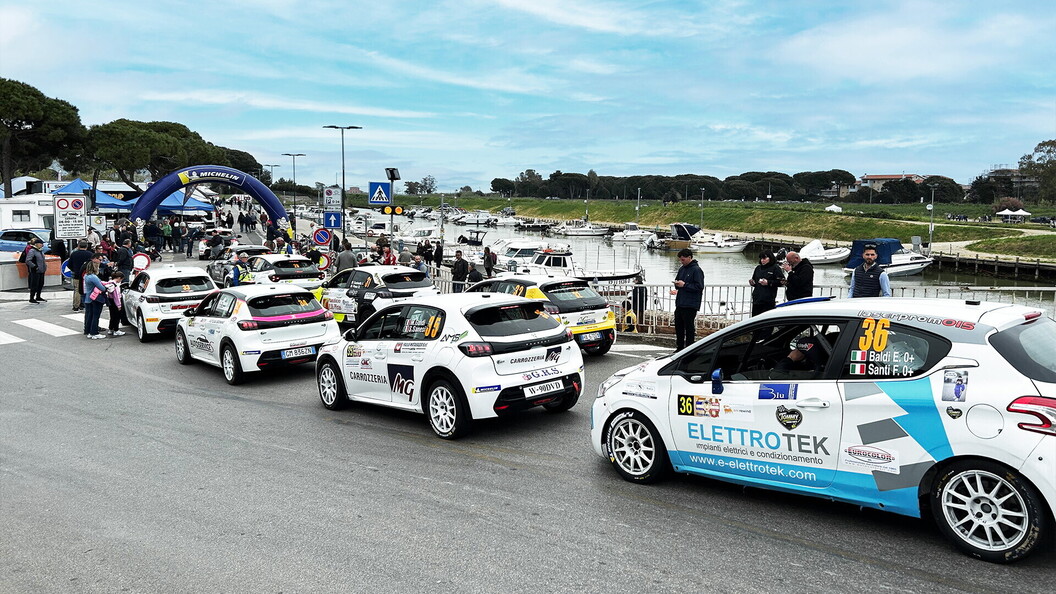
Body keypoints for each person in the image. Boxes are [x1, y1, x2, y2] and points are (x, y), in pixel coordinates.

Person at [670, 248, 704, 350]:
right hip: (680, 302)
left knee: (689, 328)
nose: (681, 261)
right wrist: (677, 284)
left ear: (689, 258)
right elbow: (678, 282)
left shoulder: (697, 270)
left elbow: (699, 287)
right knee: (678, 327)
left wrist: (685, 285)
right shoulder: (682, 269)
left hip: (690, 304)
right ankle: (679, 347)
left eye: (683, 259)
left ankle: (689, 348)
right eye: (680, 260)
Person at [748, 250, 783, 316]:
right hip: (757, 298)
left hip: (768, 300)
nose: (762, 260)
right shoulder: (758, 268)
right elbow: (755, 280)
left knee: (767, 320)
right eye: (761, 258)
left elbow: (781, 282)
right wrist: (753, 283)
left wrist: (768, 282)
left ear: (770, 258)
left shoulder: (776, 268)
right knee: (755, 320)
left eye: (764, 258)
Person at [81, 260, 108, 339]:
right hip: (95, 298)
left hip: (88, 297)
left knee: (90, 315)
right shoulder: (93, 277)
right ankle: (94, 332)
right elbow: (102, 288)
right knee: (96, 316)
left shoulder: (86, 276)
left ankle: (89, 331)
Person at [67, 240, 94, 312]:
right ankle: (87, 304)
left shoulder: (74, 254)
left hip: (77, 275)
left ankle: (76, 306)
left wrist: (74, 270)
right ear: (87, 246)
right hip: (88, 275)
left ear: (79, 246)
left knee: (77, 290)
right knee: (88, 289)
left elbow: (69, 265)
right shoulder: (90, 254)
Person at [103, 270, 127, 336]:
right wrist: (119, 305)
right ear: (119, 278)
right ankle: (116, 330)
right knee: (117, 316)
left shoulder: (109, 283)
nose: (121, 281)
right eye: (121, 279)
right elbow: (116, 296)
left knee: (112, 316)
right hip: (115, 302)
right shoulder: (115, 285)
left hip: (110, 301)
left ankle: (111, 329)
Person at [26, 239, 47, 304]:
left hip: (42, 270)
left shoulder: (41, 251)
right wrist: (35, 267)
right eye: (40, 244)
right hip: (35, 271)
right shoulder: (32, 251)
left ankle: (38, 296)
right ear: (36, 244)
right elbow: (28, 260)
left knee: (40, 284)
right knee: (34, 284)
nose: (42, 245)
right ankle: (31, 298)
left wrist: (45, 267)